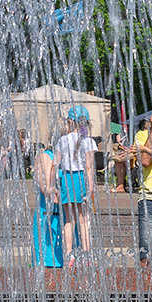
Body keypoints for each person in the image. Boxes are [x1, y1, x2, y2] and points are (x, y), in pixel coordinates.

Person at [53, 105, 98, 256]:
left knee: (68, 220)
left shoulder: (62, 140)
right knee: (83, 219)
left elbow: (56, 164)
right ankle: (86, 253)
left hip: (66, 178)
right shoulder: (89, 141)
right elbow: (90, 167)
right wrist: (91, 187)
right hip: (80, 179)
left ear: (69, 122)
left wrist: (54, 187)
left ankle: (69, 253)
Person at [132, 113, 152, 266]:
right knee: (146, 254)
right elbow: (145, 161)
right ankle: (146, 287)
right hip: (150, 199)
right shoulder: (142, 135)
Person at [32, 143, 64, 267]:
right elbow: (45, 188)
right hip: (49, 220)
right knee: (47, 267)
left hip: (67, 221)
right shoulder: (46, 156)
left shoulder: (69, 157)